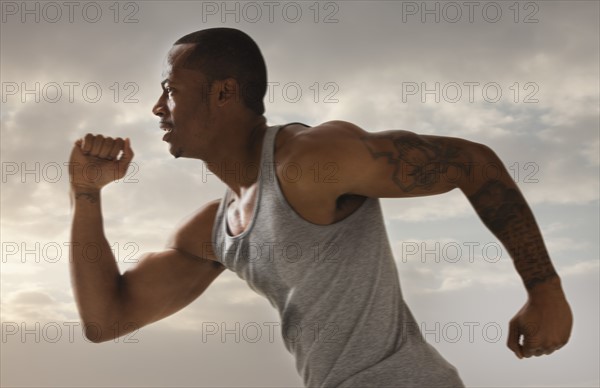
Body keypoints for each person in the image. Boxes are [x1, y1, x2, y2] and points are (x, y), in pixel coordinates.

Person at [68, 28, 573, 387]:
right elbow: (107, 319)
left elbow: (473, 163)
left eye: (171, 91)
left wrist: (545, 291)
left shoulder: (310, 160)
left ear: (223, 93)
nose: (158, 108)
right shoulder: (215, 230)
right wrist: (87, 196)